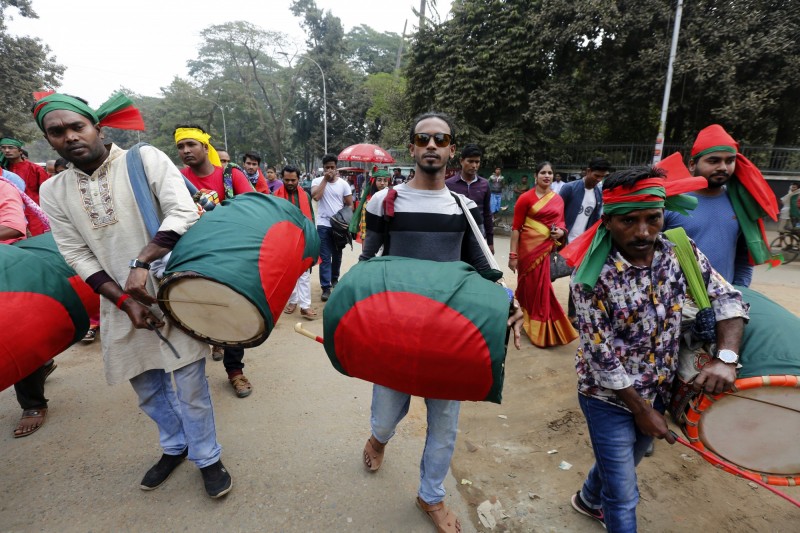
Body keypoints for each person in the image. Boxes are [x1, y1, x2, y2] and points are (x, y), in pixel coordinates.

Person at [36, 93, 232, 498]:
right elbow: (75, 251)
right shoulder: (53, 190)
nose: (70, 137)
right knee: (145, 386)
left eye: (77, 127)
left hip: (171, 291)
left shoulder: (143, 160)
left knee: (191, 384)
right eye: (57, 132)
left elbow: (184, 212)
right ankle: (175, 446)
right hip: (117, 302)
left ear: (98, 128)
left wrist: (141, 263)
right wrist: (123, 301)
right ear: (49, 140)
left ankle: (208, 458)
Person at [359, 111, 524, 533]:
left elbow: (481, 267)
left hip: (449, 335)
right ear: (412, 147)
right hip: (397, 331)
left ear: (451, 149)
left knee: (445, 424)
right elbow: (367, 263)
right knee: (386, 414)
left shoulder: (463, 207)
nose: (432, 146)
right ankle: (378, 439)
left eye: (441, 139)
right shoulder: (384, 202)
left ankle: (430, 496)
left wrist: (508, 301)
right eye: (423, 138)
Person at [561, 166, 747, 531]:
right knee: (624, 492)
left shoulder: (680, 250)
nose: (643, 232)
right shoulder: (590, 275)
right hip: (607, 396)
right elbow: (602, 357)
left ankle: (586, 498)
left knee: (624, 462)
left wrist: (726, 358)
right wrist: (643, 411)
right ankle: (604, 504)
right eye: (629, 221)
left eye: (653, 218)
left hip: (660, 386)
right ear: (608, 221)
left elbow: (728, 299)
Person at [175, 124, 256, 398]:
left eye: (191, 145)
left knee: (232, 312)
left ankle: (236, 372)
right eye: (180, 147)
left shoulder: (231, 176)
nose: (185, 151)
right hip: (190, 257)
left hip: (228, 257)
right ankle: (193, 380)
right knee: (193, 313)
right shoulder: (175, 179)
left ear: (204, 146)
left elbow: (251, 210)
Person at [663, 125, 779, 287]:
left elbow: (743, 256)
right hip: (676, 301)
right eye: (714, 160)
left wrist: (739, 290)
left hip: (725, 301)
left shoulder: (740, 204)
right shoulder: (669, 202)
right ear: (691, 165)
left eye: (730, 161)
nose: (723, 167)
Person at [509, 161, 577, 347]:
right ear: (535, 176)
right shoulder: (525, 198)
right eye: (543, 173)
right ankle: (527, 318)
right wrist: (513, 256)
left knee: (542, 287)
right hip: (527, 251)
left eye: (550, 173)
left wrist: (561, 233)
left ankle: (539, 324)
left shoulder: (557, 199)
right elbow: (516, 229)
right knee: (528, 287)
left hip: (545, 251)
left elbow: (562, 224)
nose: (547, 176)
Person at [558, 157, 611, 325]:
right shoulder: (569, 188)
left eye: (602, 177)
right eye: (596, 175)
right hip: (562, 241)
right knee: (549, 275)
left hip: (582, 245)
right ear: (587, 171)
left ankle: (572, 315)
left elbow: (595, 219)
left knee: (576, 280)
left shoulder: (598, 193)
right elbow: (556, 212)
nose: (598, 180)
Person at [276, 165, 317, 320]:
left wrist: (312, 240)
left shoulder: (305, 196)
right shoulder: (276, 196)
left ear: (299, 179)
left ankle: (305, 306)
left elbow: (311, 218)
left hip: (302, 239)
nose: (290, 183)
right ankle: (293, 301)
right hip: (283, 240)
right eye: (287, 180)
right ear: (282, 179)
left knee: (304, 273)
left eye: (293, 180)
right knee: (288, 273)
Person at [311, 154, 353, 302]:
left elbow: (349, 204)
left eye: (332, 167)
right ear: (324, 168)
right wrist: (325, 180)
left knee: (337, 256)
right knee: (324, 257)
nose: (330, 170)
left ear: (336, 168)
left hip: (339, 227)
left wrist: (344, 219)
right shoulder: (317, 181)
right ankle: (325, 287)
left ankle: (334, 279)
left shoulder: (343, 184)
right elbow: (315, 196)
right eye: (327, 167)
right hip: (323, 225)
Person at [445, 144, 494, 252]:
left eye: (477, 162)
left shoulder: (484, 184)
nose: (474, 165)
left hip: (478, 237)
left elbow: (487, 214)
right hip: (455, 238)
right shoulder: (448, 185)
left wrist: (490, 242)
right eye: (470, 161)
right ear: (461, 161)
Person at [0, 137, 50, 204]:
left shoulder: (36, 169)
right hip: (9, 207)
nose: (7, 150)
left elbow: (47, 192)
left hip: (32, 210)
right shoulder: (3, 169)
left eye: (11, 147)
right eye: (3, 148)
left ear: (20, 151)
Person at [778, 182, 800, 247]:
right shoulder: (790, 193)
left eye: (794, 187)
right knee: (787, 230)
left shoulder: (797, 194)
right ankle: (782, 243)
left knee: (796, 230)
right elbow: (784, 201)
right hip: (789, 214)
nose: (793, 188)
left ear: (798, 188)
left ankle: (796, 243)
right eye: (792, 187)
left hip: (796, 216)